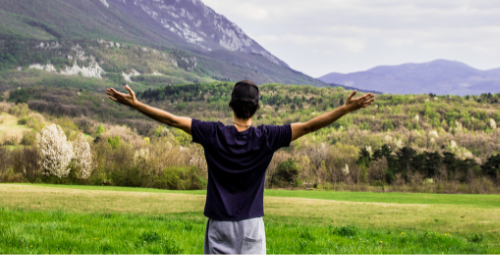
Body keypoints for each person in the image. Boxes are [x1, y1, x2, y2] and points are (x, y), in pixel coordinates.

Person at [106, 80, 375, 254]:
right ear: (256, 109)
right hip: (251, 227)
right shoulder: (267, 137)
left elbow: (173, 121)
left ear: (231, 105)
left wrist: (136, 104)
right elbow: (310, 126)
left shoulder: (213, 133)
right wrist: (345, 110)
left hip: (220, 226)